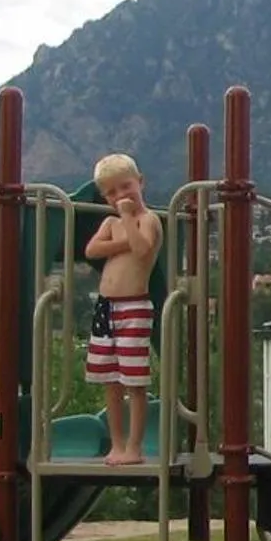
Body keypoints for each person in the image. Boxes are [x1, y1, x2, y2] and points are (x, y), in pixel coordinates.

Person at [83, 152, 164, 465]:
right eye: (112, 192)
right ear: (105, 197)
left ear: (140, 182)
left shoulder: (148, 220)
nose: (120, 196)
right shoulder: (110, 222)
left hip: (134, 306)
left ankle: (134, 446)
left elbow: (143, 250)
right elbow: (92, 249)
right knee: (110, 380)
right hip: (106, 308)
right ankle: (116, 443)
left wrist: (129, 218)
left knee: (134, 381)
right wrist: (123, 236)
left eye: (126, 186)